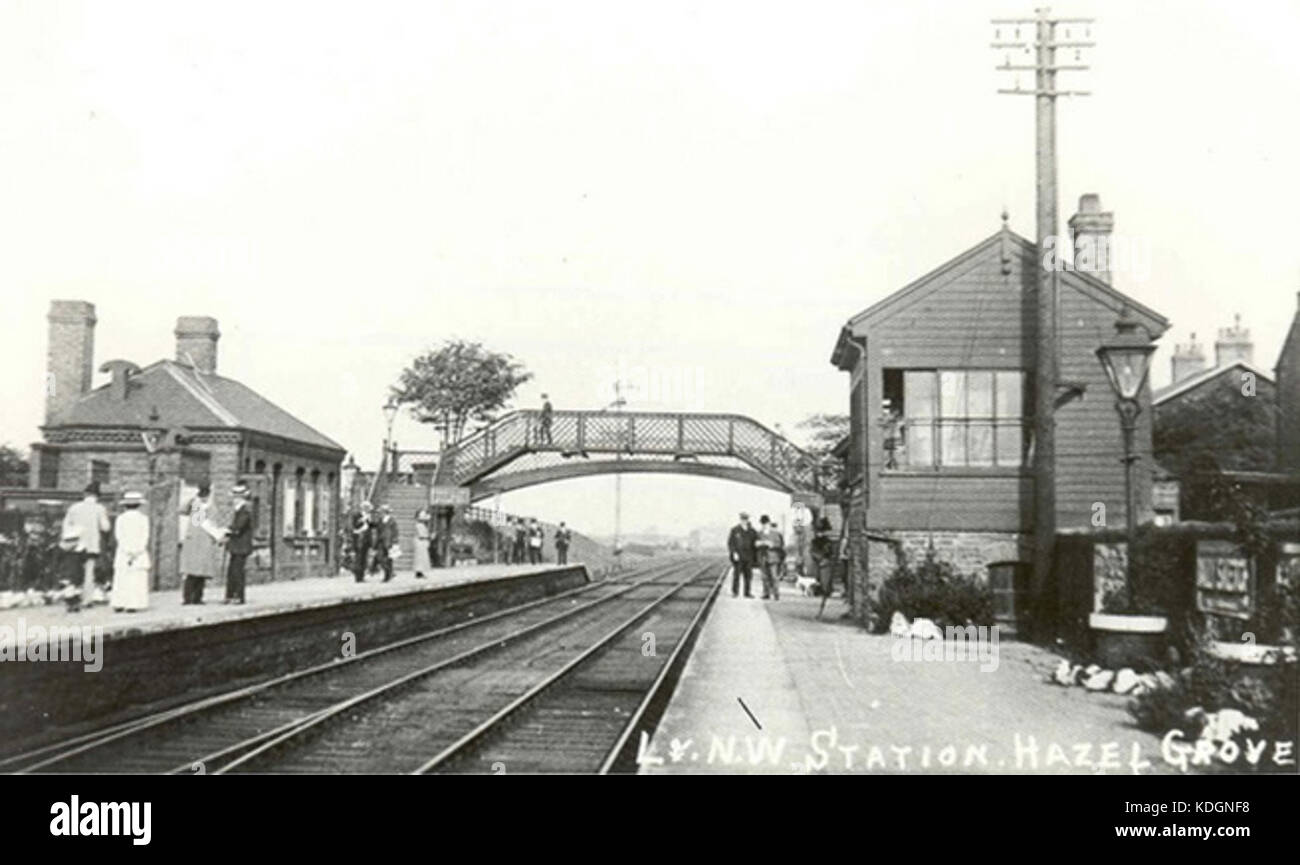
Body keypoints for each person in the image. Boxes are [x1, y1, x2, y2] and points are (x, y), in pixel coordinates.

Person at [61, 481, 111, 606]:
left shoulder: (74, 508)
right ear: (97, 496)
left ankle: (71, 595)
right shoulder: (100, 508)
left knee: (74, 572)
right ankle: (87, 599)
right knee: (89, 572)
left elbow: (66, 525)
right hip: (91, 545)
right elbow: (105, 527)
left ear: (85, 494)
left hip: (75, 544)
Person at [180, 484, 221, 604]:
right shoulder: (196, 505)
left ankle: (194, 598)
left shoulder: (209, 507)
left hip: (201, 542)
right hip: (197, 542)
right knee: (193, 573)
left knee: (199, 573)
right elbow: (182, 510)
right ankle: (190, 598)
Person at [110, 491, 150, 612]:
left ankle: (119, 603)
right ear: (139, 505)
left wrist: (127, 551)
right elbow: (145, 536)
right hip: (139, 553)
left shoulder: (120, 519)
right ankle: (133, 604)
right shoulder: (144, 519)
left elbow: (119, 536)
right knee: (136, 579)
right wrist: (137, 552)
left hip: (123, 552)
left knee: (122, 577)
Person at [223, 484, 254, 604]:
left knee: (237, 572)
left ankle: (238, 596)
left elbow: (238, 527)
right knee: (232, 571)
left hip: (241, 547)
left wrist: (228, 530)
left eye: (236, 497)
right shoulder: (239, 511)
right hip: (236, 546)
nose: (234, 500)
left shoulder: (244, 511)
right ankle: (230, 595)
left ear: (241, 498)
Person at [726, 512, 758, 598]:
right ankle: (735, 592)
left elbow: (755, 543)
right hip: (738, 556)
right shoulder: (735, 530)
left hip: (749, 556)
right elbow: (730, 543)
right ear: (740, 520)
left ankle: (747, 592)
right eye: (743, 519)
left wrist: (755, 556)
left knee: (748, 575)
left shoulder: (752, 531)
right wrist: (734, 553)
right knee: (736, 575)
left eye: (746, 519)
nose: (744, 521)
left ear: (748, 520)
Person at [756, 516, 783, 601]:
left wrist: (772, 544)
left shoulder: (775, 533)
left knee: (774, 576)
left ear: (769, 524)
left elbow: (779, 544)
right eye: (763, 524)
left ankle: (776, 594)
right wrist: (759, 544)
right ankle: (766, 593)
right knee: (764, 577)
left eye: (766, 524)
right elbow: (755, 543)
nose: (764, 525)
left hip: (773, 557)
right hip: (762, 557)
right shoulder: (759, 533)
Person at [350, 502, 375, 582]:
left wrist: (369, 520)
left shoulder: (368, 516)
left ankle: (362, 576)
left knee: (364, 559)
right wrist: (362, 520)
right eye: (367, 508)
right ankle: (358, 577)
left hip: (366, 540)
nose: (368, 510)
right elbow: (355, 526)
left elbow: (371, 527)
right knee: (359, 559)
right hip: (359, 540)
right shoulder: (357, 515)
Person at [375, 504, 400, 582]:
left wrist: (395, 541)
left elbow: (395, 532)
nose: (380, 514)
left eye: (381, 512)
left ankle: (387, 576)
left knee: (389, 559)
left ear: (385, 512)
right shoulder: (380, 520)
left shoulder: (392, 521)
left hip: (389, 542)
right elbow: (378, 531)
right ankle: (389, 572)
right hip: (381, 542)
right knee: (380, 558)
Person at [413, 506, 433, 578]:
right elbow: (421, 535)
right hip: (420, 541)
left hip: (422, 542)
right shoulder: (419, 525)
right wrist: (429, 537)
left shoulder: (422, 525)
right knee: (420, 557)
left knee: (422, 557)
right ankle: (419, 571)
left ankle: (420, 572)